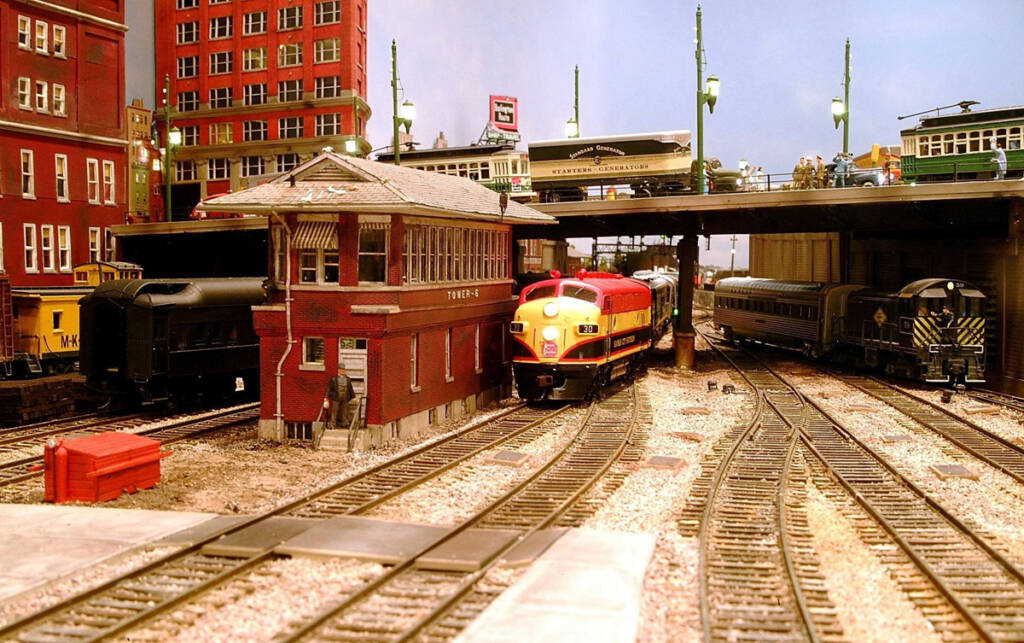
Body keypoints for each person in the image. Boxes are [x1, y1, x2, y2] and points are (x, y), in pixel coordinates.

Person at [324, 364, 355, 430]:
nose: (342, 371)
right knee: (334, 411)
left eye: (343, 370)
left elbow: (350, 389)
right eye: (341, 369)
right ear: (338, 370)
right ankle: (332, 424)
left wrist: (354, 397)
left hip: (345, 396)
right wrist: (326, 397)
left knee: (345, 410)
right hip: (336, 396)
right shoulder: (334, 379)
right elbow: (329, 388)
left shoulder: (347, 379)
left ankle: (345, 423)